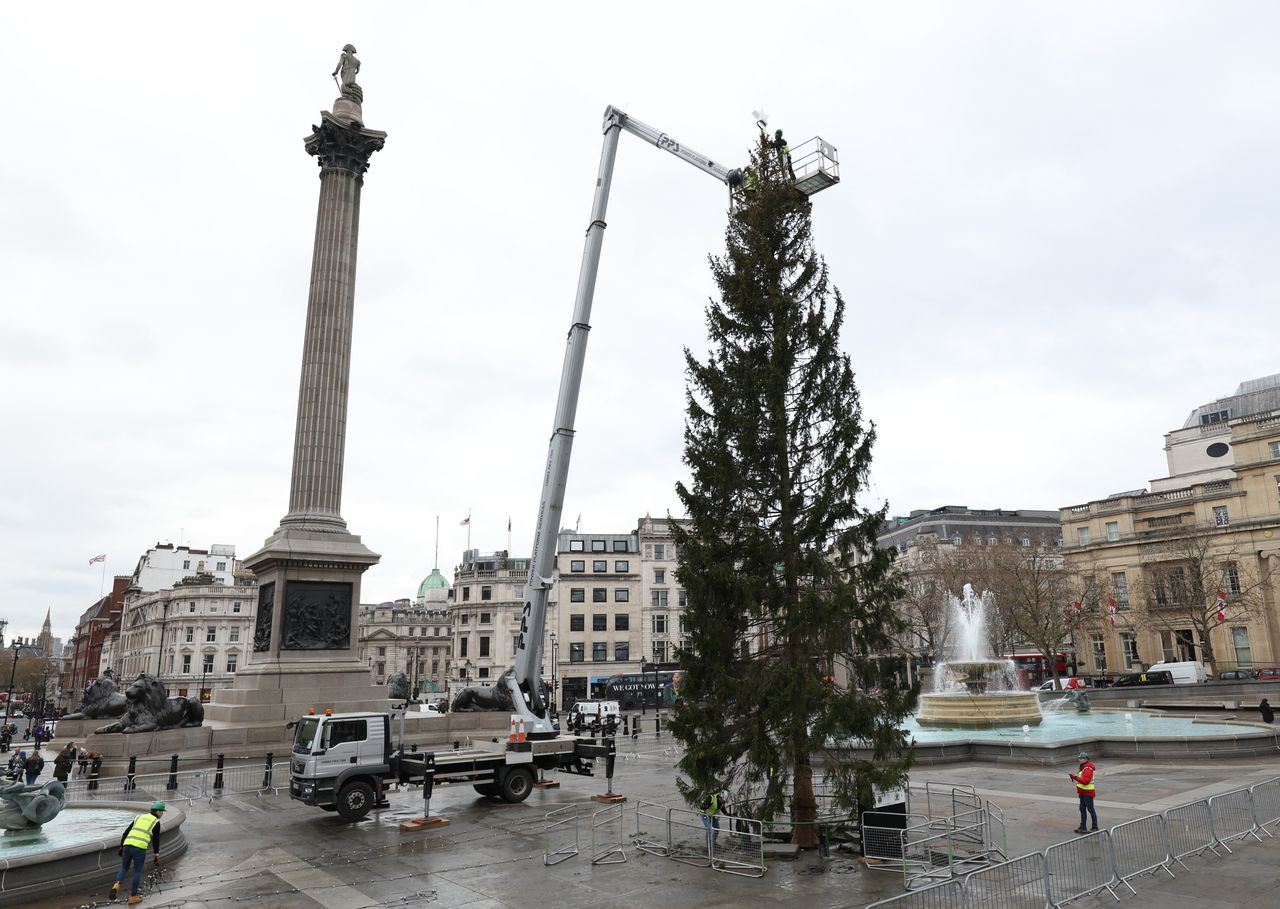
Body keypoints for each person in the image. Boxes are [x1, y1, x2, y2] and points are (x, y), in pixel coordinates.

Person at [111, 801, 166, 904]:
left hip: (127, 845)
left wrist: (122, 846)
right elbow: (156, 839)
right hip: (139, 848)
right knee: (137, 871)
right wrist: (156, 854)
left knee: (124, 868)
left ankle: (117, 884)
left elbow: (126, 832)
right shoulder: (155, 821)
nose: (162, 814)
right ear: (157, 811)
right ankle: (133, 896)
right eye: (162, 812)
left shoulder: (139, 817)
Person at [1070, 752, 1098, 834]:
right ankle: (1082, 826)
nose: (1079, 759)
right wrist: (1075, 777)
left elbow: (1086, 781)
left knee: (1090, 809)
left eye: (1081, 758)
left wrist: (1075, 777)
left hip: (1088, 793)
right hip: (1082, 792)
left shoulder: (1087, 769)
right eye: (1079, 758)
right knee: (1082, 809)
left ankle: (1095, 827)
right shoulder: (1083, 767)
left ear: (1086, 759)